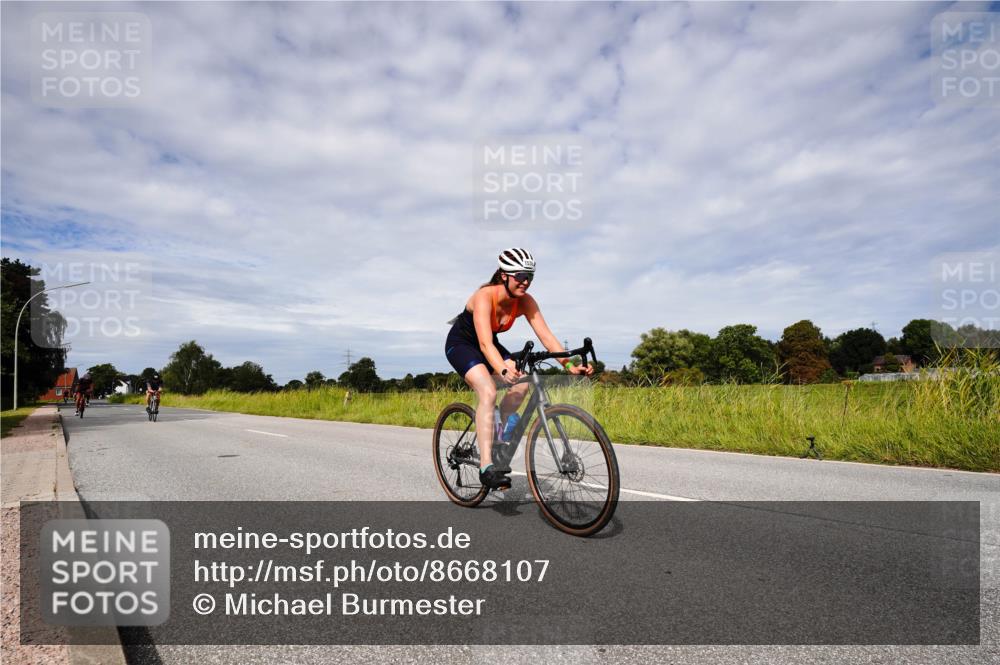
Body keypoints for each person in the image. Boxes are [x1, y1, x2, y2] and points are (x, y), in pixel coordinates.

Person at [445, 248, 593, 490]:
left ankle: (498, 437)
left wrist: (570, 366)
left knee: (523, 382)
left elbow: (547, 337)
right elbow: (484, 343)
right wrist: (502, 370)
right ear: (504, 275)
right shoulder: (485, 296)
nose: (526, 282)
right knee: (488, 391)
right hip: (462, 345)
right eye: (521, 276)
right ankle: (486, 467)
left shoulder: (525, 301)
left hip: (489, 346)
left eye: (530, 277)